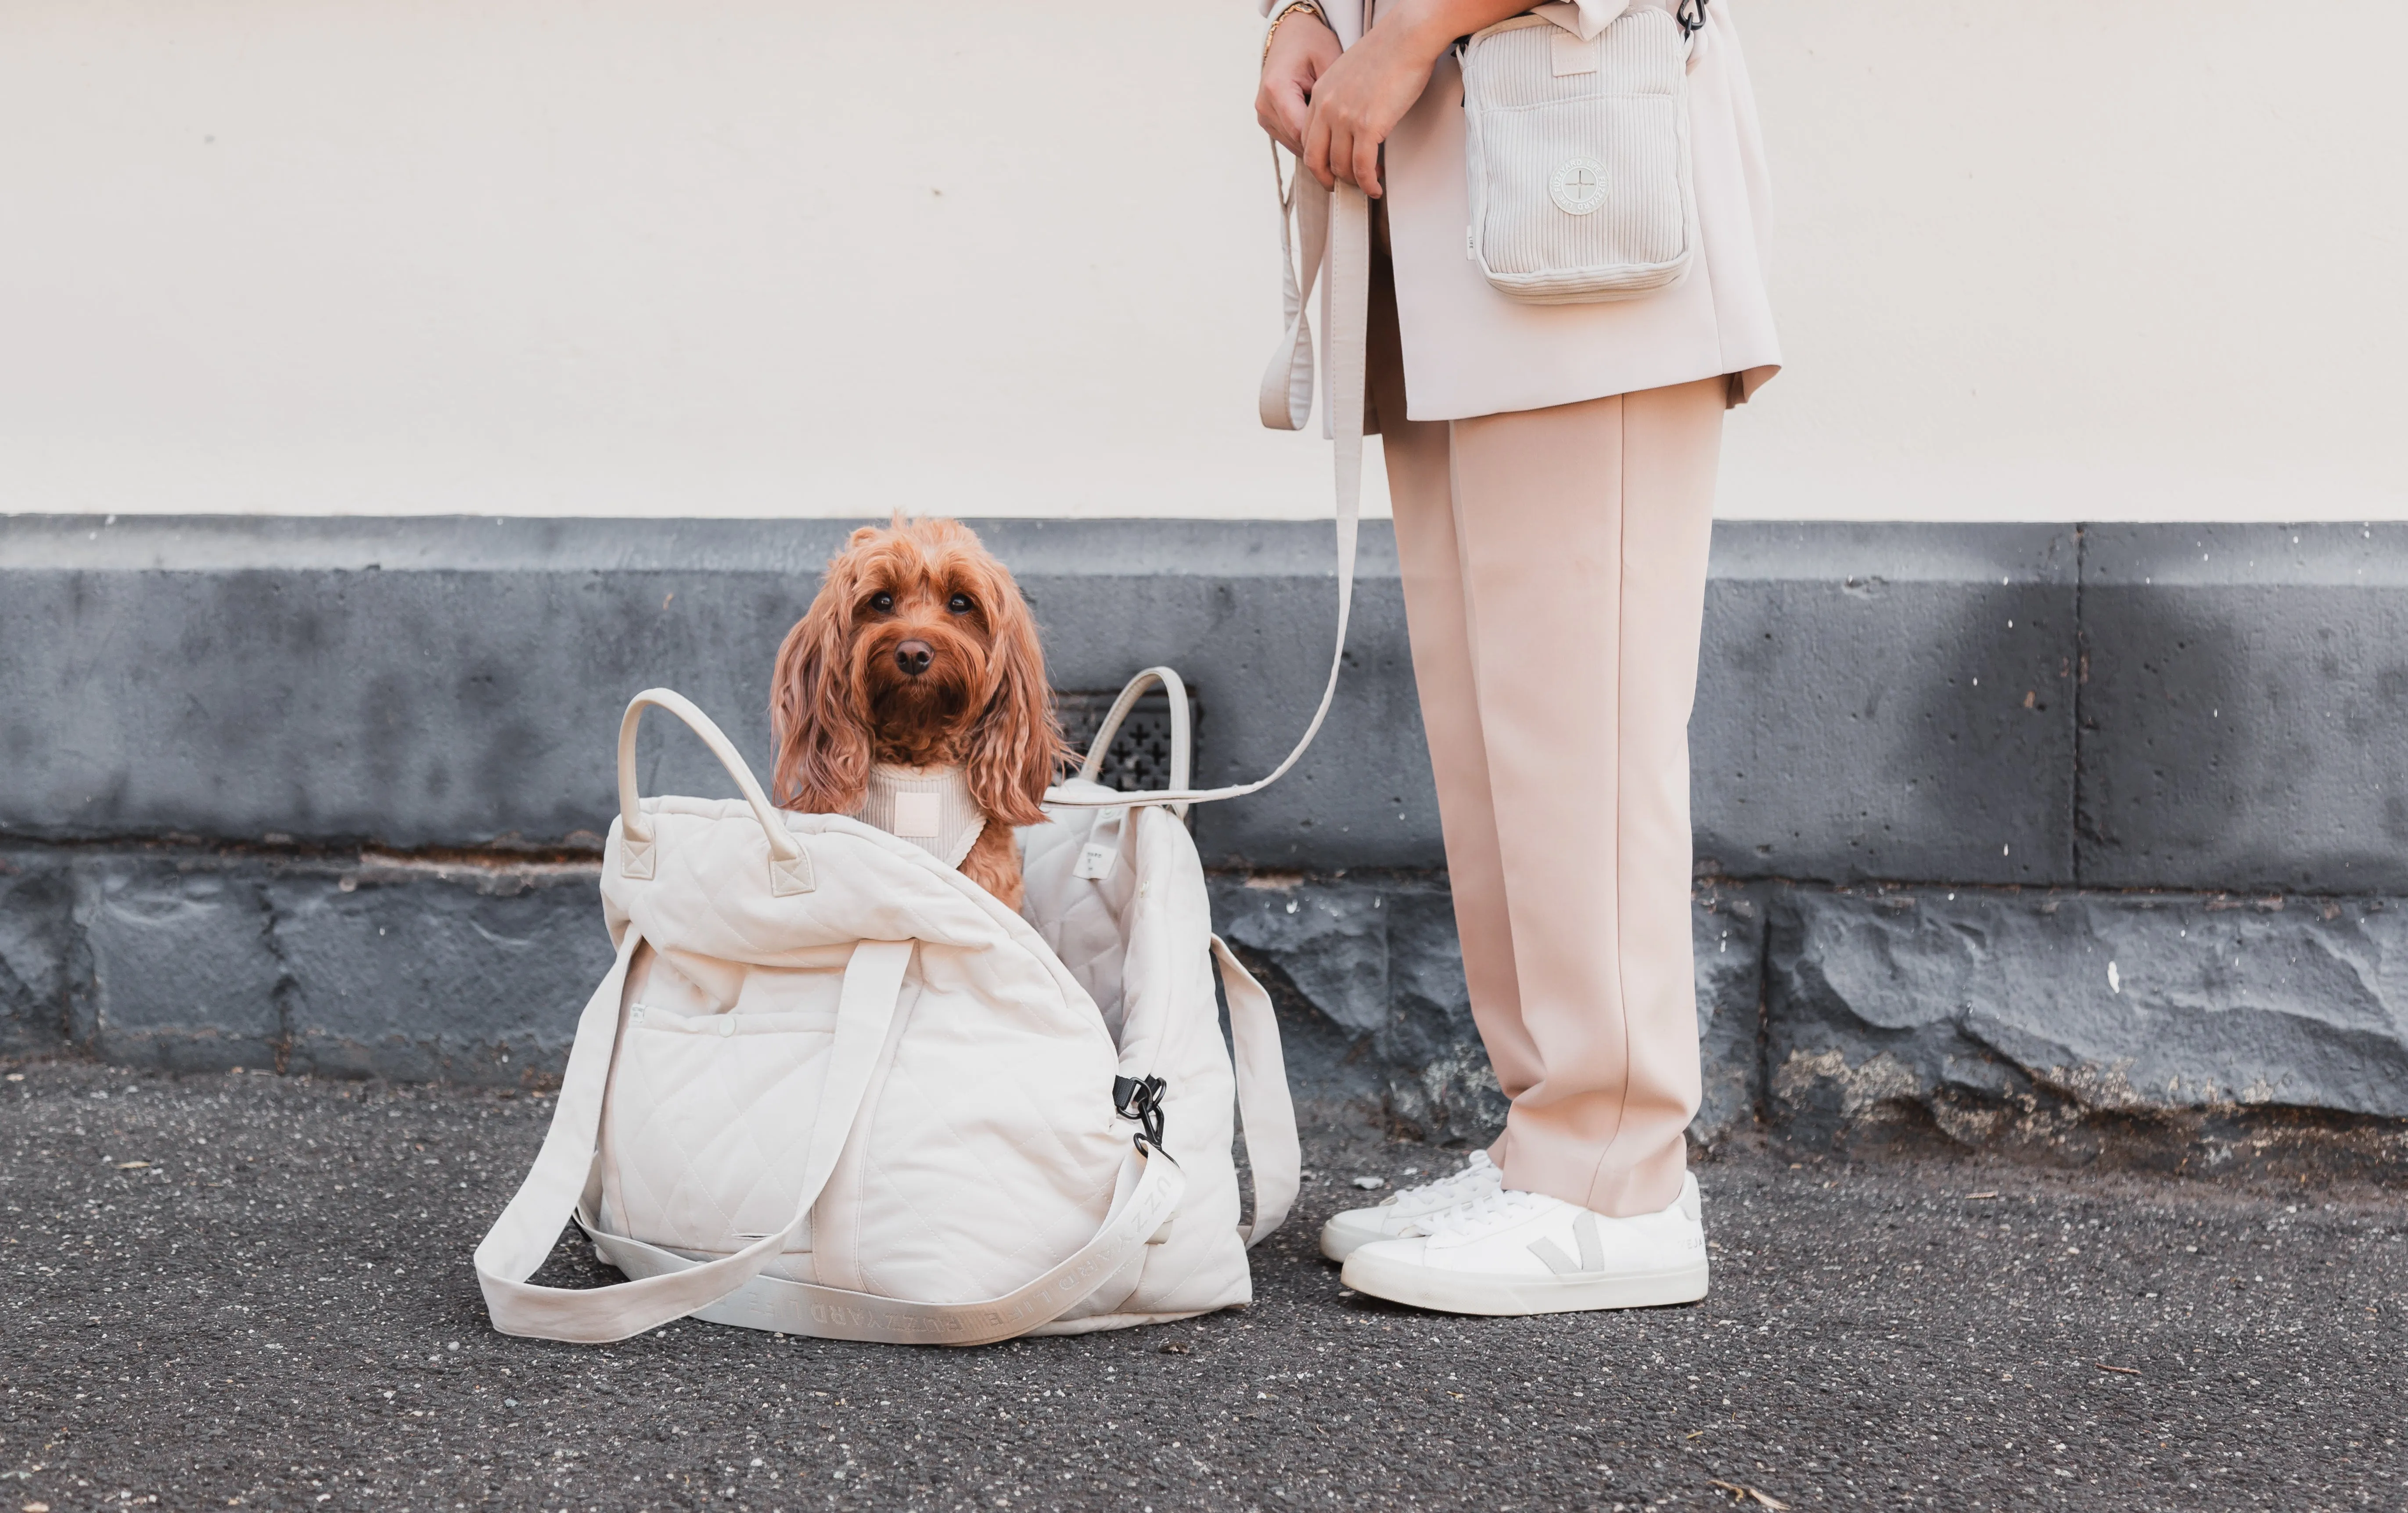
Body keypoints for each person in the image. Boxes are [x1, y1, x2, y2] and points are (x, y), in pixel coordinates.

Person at [1254, 0, 1779, 1315]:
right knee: (1505, 727)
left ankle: (1621, 1178)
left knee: (1581, 722)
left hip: (1575, 176)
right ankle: (1552, 1138)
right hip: (1463, 193)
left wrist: (1405, 35)